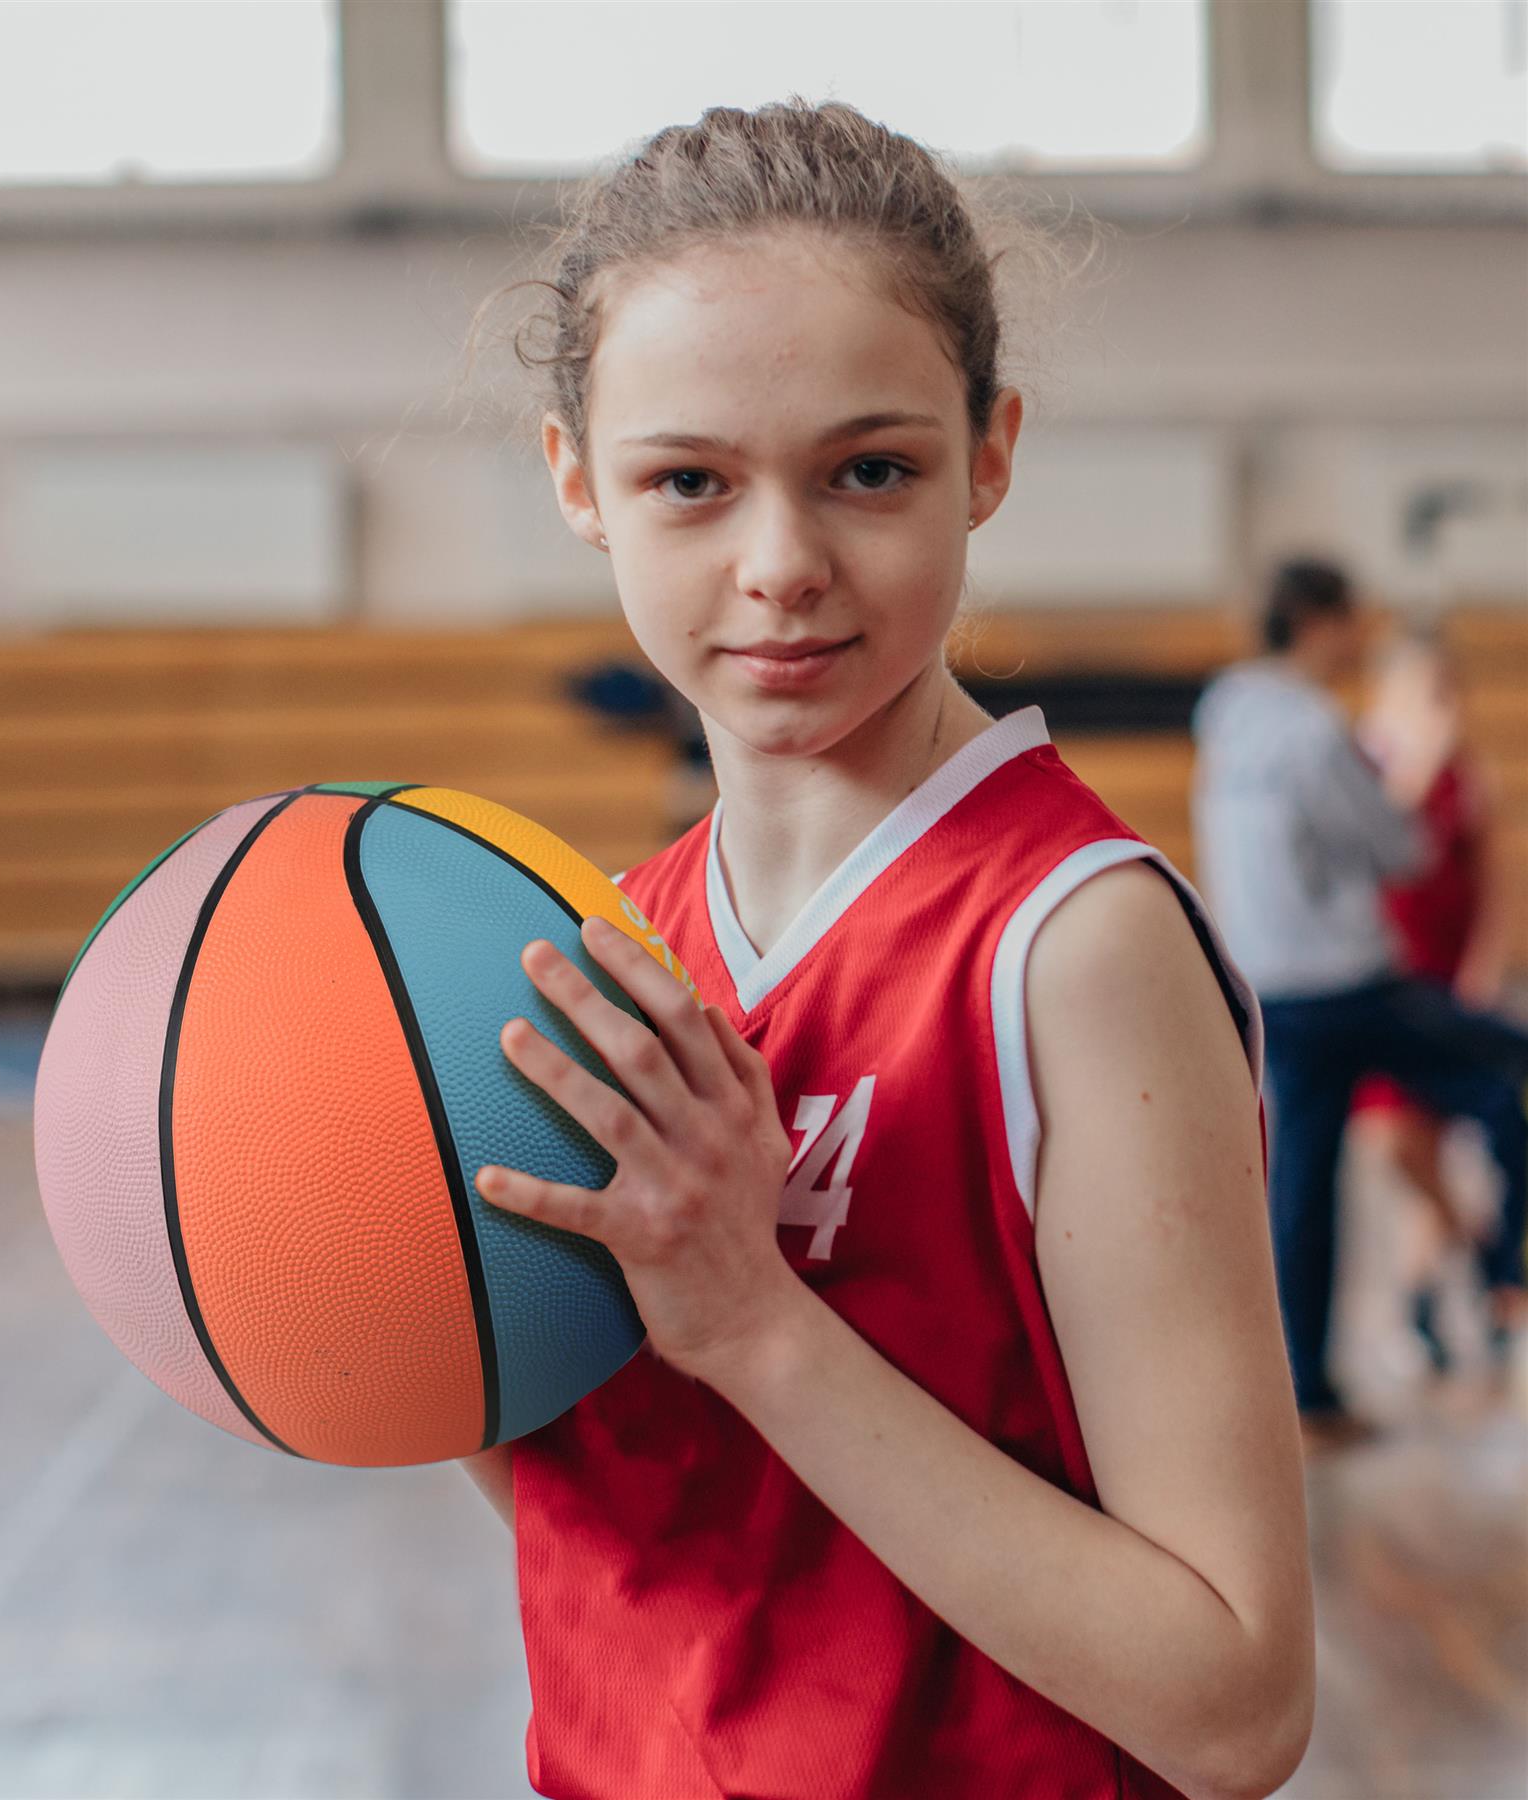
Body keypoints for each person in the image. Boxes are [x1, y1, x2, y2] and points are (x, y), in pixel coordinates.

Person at [456, 101, 1312, 1800]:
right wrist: (386, 1328)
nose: (781, 566)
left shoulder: (1072, 946)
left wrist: (757, 1324)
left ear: (988, 454)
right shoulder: (603, 956)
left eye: (871, 471)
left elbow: (1234, 1709)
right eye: (688, 481)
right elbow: (650, 1526)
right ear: (578, 482)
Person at [1191, 559, 1528, 1446]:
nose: (1362, 634)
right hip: (1347, 985)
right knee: (1509, 1068)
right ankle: (1506, 1265)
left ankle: (1311, 1397)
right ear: (1315, 620)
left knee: (1302, 1193)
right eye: (1351, 618)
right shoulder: (1308, 725)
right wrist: (1415, 772)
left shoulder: (1227, 714)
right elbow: (1399, 847)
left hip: (1275, 996)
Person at [1348, 628, 1524, 1366]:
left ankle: (1425, 1296)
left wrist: (1485, 971)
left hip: (1447, 983)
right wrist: (1417, 758)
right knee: (1393, 1144)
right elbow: (1384, 847)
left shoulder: (1469, 778)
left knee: (1434, 1136)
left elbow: (1499, 884)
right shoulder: (1365, 765)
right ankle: (1483, 1260)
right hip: (1384, 982)